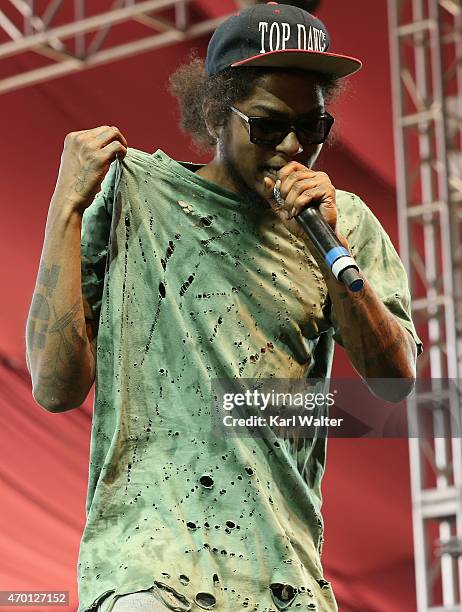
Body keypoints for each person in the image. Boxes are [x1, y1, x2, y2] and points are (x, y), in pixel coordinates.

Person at [25, 2, 423, 611]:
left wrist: (330, 250)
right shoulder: (137, 198)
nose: (292, 147)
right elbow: (56, 389)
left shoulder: (348, 227)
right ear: (217, 113)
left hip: (283, 582)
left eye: (312, 128)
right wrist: (65, 208)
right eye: (266, 125)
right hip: (146, 574)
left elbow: (394, 388)